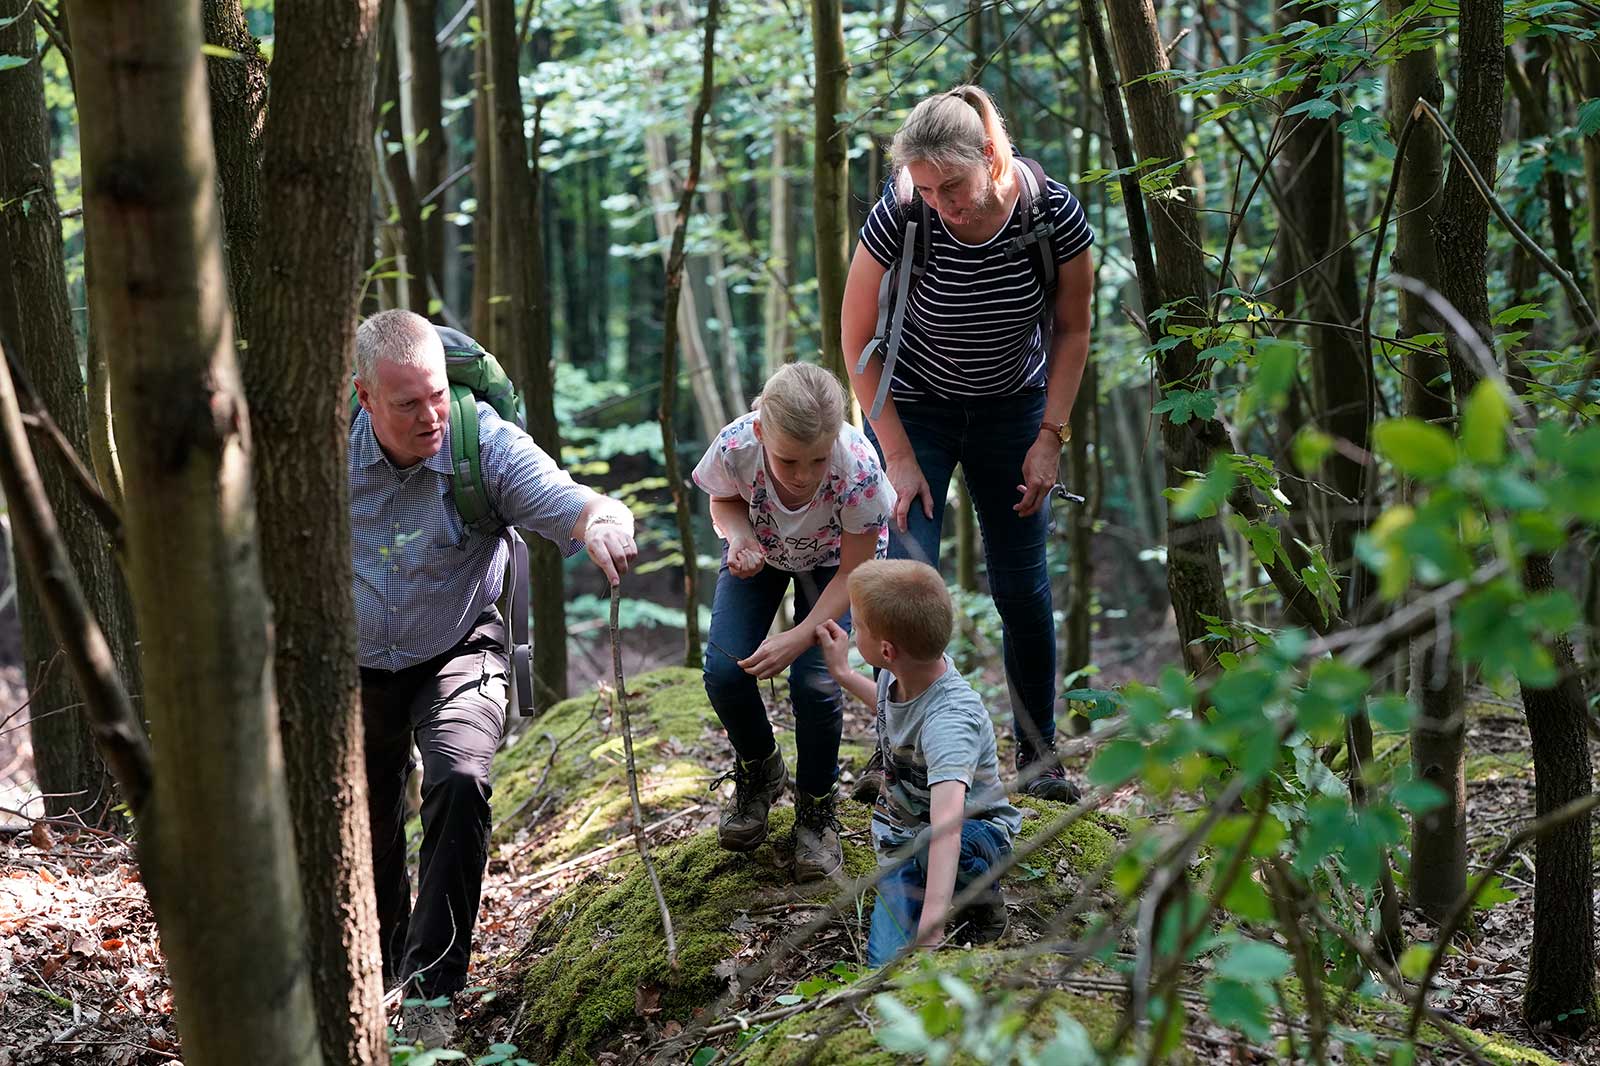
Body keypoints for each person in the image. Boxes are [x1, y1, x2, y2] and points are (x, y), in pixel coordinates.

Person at [349, 310, 637, 1048]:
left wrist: (602, 522)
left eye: (438, 394)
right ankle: (379, 967)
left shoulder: (484, 444)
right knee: (368, 814)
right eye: (408, 403)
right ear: (364, 398)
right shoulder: (318, 457)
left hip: (458, 644)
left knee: (458, 777)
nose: (431, 415)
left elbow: (572, 502)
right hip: (349, 663)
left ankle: (431, 994)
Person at [841, 84, 1095, 803]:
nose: (942, 203)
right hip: (911, 410)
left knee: (1022, 587)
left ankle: (1040, 762)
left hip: (1014, 410)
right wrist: (893, 453)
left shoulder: (1051, 213)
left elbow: (1074, 328)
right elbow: (856, 337)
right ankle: (898, 754)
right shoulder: (902, 212)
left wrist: (1052, 437)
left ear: (989, 156)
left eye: (952, 184)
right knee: (904, 582)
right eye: (927, 188)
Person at [693, 362, 896, 880]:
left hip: (836, 565)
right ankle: (761, 770)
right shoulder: (737, 444)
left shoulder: (858, 469)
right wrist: (739, 539)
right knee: (724, 668)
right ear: (761, 429)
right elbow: (723, 501)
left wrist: (799, 637)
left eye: (816, 460)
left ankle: (816, 810)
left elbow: (855, 568)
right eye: (788, 460)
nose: (804, 474)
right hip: (761, 549)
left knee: (816, 680)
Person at [816, 559, 1021, 966]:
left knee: (936, 846)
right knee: (883, 964)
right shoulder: (903, 675)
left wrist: (931, 931)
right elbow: (891, 712)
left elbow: (947, 830)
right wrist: (842, 672)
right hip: (903, 844)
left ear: (887, 650)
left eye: (857, 626)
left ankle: (983, 908)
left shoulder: (949, 722)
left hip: (970, 837)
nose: (853, 632)